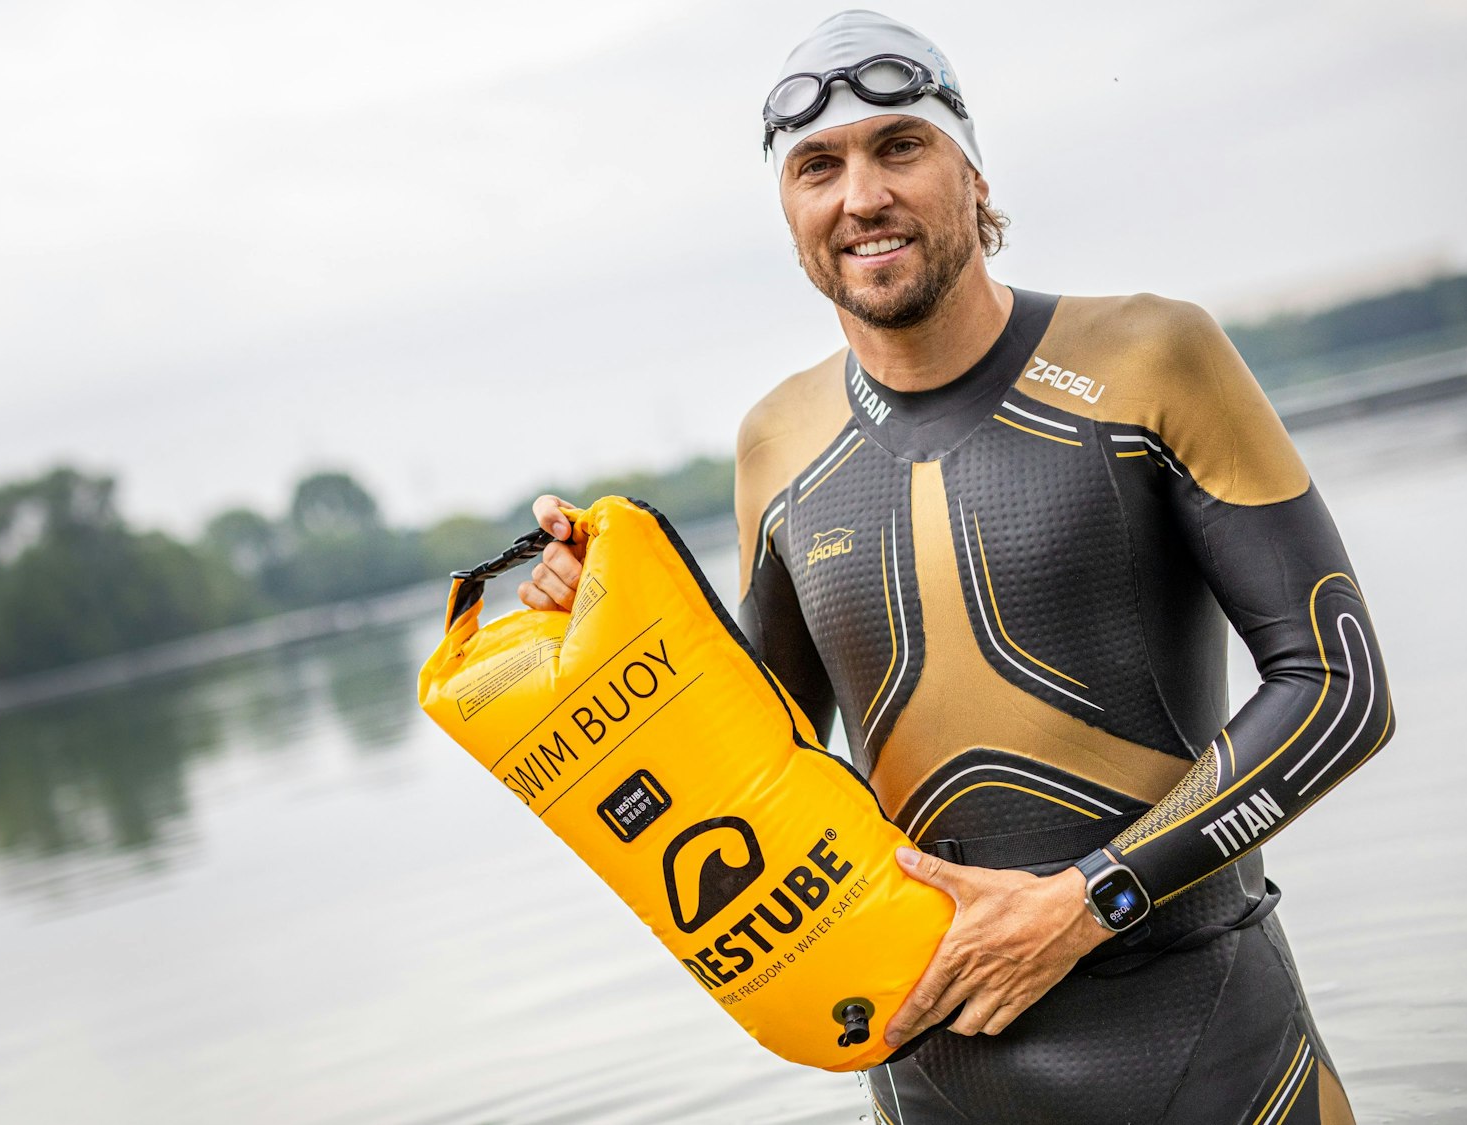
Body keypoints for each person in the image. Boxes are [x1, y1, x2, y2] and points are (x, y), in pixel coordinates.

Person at [520, 11, 1391, 1123]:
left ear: (972, 175)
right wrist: (597, 620)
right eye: (816, 167)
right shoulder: (774, 444)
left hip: (1211, 1052)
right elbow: (752, 763)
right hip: (935, 1075)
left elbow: (1338, 687)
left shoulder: (1149, 356)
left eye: (899, 146)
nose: (860, 196)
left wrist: (1088, 899)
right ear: (788, 213)